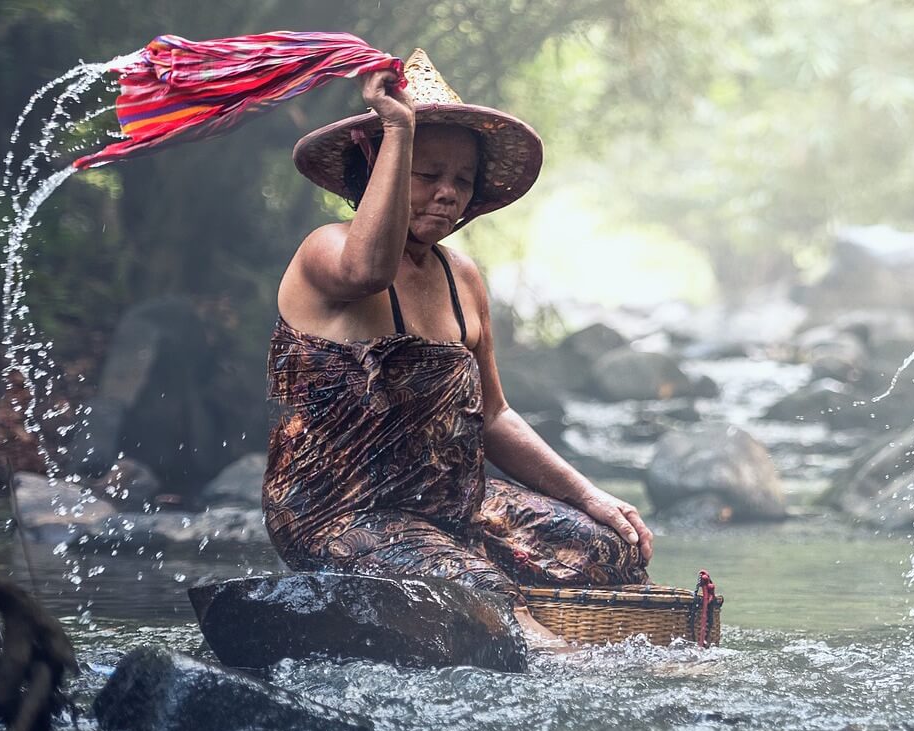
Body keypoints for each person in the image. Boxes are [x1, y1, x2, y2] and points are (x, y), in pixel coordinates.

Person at [266, 50, 651, 642]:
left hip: (448, 503)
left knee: (609, 550)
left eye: (461, 181)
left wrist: (591, 495)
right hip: (339, 512)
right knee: (485, 595)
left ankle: (553, 627)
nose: (447, 194)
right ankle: (563, 661)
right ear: (378, 166)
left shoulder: (461, 277)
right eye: (427, 173)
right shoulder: (328, 250)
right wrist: (397, 127)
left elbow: (493, 414)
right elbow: (369, 270)